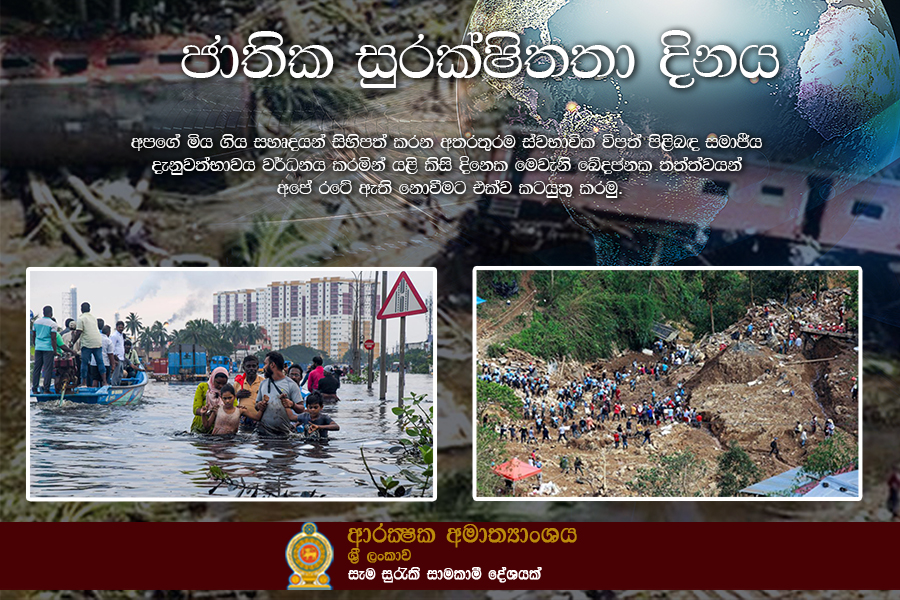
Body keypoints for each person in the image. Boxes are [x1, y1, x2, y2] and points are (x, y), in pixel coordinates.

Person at [249, 351, 304, 437]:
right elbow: (256, 405)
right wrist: (259, 405)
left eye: (265, 364)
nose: (263, 367)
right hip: (262, 432)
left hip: (282, 433)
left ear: (272, 365)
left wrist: (292, 404)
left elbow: (301, 409)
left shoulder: (291, 384)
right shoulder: (263, 383)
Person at [71, 303, 106, 388]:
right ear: (89, 309)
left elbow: (79, 332)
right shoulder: (93, 318)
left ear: (81, 309)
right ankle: (105, 382)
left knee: (84, 363)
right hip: (97, 342)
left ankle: (84, 383)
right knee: (100, 362)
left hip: (87, 343)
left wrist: (72, 342)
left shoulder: (81, 318)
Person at [31, 306, 60, 394]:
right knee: (48, 369)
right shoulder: (53, 324)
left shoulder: (36, 322)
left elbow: (34, 335)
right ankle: (46, 389)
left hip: (38, 348)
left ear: (43, 312)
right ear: (51, 313)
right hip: (48, 348)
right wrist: (54, 351)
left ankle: (35, 389)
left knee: (37, 368)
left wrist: (36, 345)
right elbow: (53, 339)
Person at [191, 367, 229, 433]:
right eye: (218, 383)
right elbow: (195, 409)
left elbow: (233, 408)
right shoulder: (203, 387)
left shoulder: (228, 391)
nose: (221, 386)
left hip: (220, 429)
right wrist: (207, 412)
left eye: (224, 384)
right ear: (212, 378)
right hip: (200, 427)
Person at [234, 355, 263, 431]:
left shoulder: (263, 382)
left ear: (257, 367)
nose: (251, 369)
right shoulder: (238, 383)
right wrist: (237, 395)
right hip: (243, 420)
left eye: (254, 366)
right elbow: (229, 400)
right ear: (244, 368)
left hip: (259, 419)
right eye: (248, 366)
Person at [109, 321, 126, 385]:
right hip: (117, 358)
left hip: (121, 358)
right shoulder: (114, 336)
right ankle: (114, 386)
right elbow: (112, 347)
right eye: (120, 327)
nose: (121, 329)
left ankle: (118, 385)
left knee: (120, 374)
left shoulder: (121, 336)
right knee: (116, 374)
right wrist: (113, 359)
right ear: (116, 327)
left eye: (122, 327)